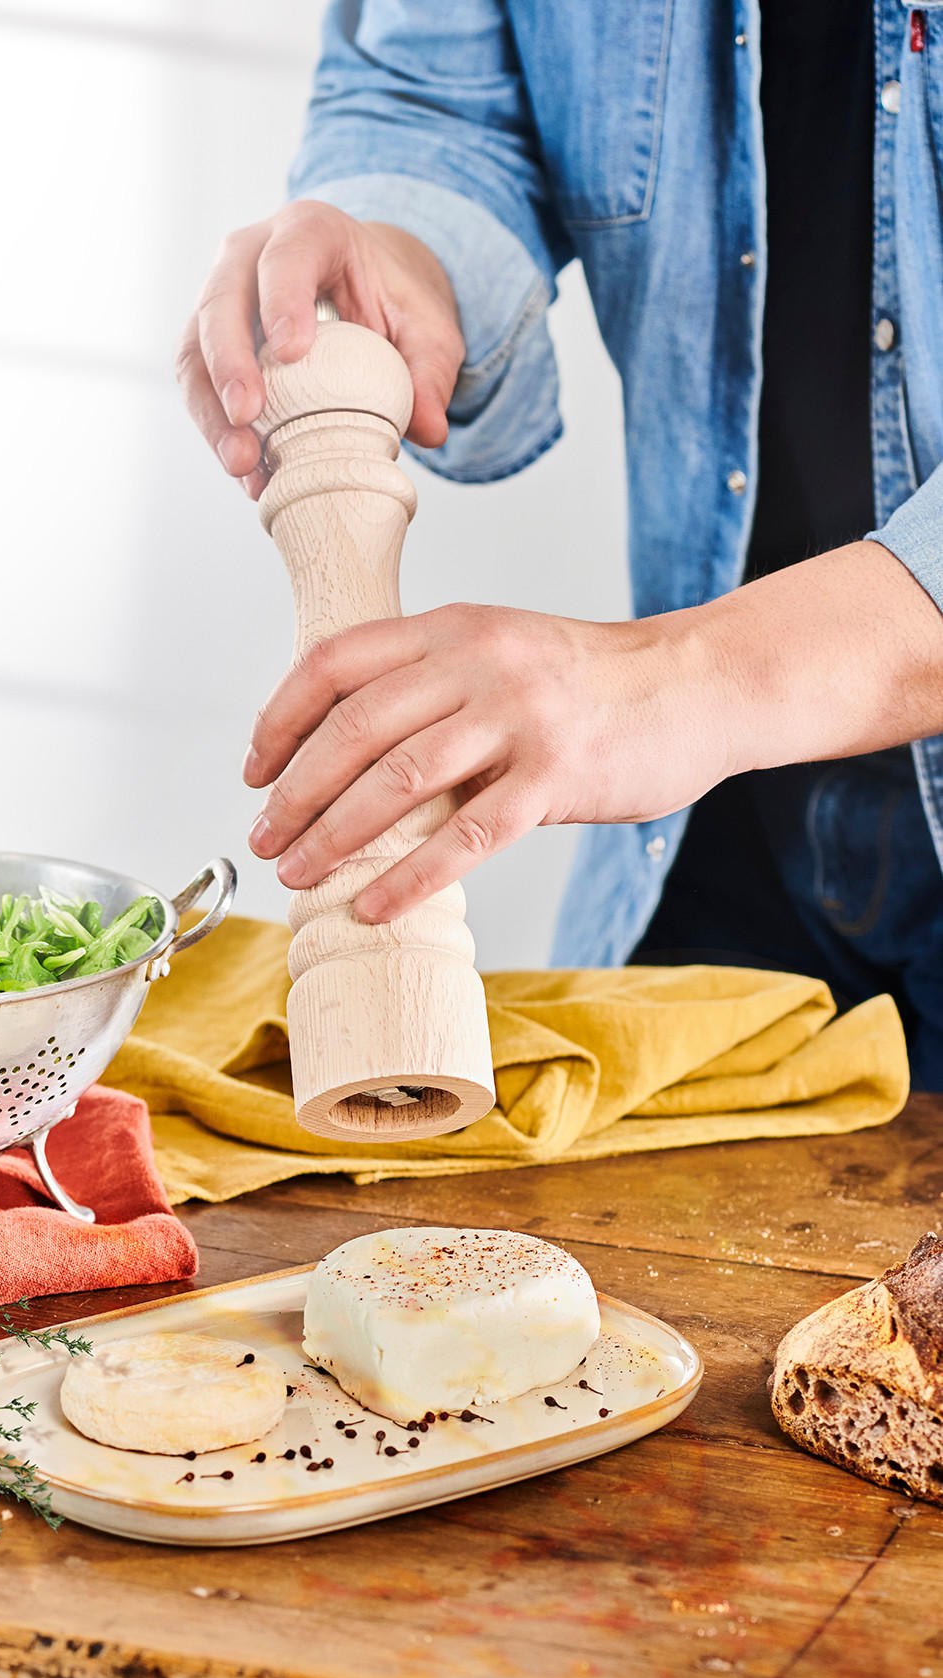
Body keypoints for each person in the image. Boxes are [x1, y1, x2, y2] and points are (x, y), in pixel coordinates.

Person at [176, 2, 943, 1085]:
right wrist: (392, 266)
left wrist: (675, 680)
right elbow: (430, 94)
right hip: (721, 862)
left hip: (703, 725)